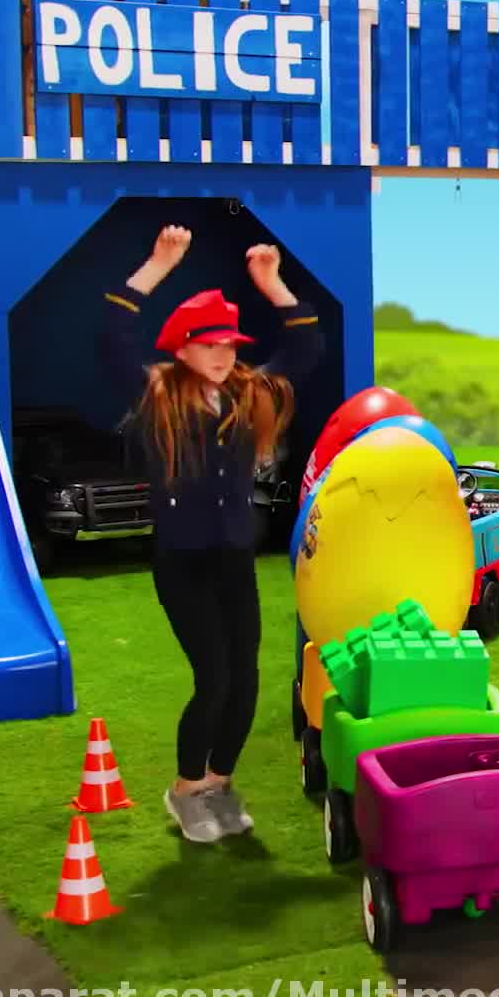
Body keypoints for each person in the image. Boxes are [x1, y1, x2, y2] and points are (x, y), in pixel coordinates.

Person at [101, 224, 324, 843]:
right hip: (183, 564)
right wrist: (157, 264)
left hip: (233, 559)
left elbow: (306, 348)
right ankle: (185, 789)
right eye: (209, 345)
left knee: (246, 679)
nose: (224, 354)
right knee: (215, 679)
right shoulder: (157, 396)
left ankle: (219, 785)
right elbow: (111, 336)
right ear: (181, 350)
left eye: (229, 343)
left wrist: (273, 285)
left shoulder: (249, 394)